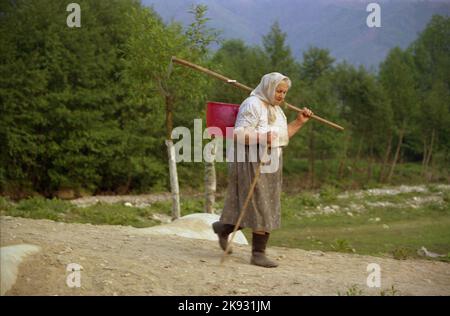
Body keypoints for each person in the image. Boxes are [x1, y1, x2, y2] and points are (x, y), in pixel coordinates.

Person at [212, 72, 313, 268]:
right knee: (260, 205)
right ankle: (258, 254)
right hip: (249, 161)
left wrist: (299, 122)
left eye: (284, 92)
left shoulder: (278, 111)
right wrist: (262, 136)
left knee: (261, 205)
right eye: (278, 91)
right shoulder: (252, 104)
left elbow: (283, 137)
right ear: (268, 87)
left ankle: (223, 228)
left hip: (271, 163)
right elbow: (239, 133)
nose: (282, 96)